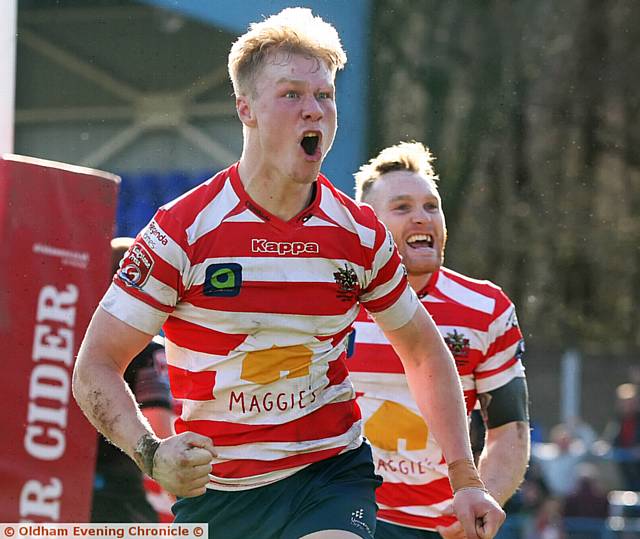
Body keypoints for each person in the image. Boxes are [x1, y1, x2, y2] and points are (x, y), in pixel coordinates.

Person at [72, 9, 505, 539]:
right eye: (293, 94)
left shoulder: (359, 233)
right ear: (245, 109)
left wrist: (466, 478)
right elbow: (94, 366)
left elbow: (422, 349)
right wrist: (151, 452)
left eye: (325, 96)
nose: (314, 111)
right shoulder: (181, 232)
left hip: (329, 475)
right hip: (221, 496)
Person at [350, 141, 530, 538]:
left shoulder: (486, 309)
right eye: (402, 208)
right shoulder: (331, 301)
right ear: (368, 224)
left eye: (431, 206)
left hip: (437, 527)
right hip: (339, 513)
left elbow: (509, 430)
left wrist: (484, 499)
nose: (421, 217)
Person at [91, 237, 175, 523]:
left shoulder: (60, 337)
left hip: (52, 483)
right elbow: (158, 426)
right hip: (117, 491)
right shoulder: (150, 349)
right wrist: (180, 490)